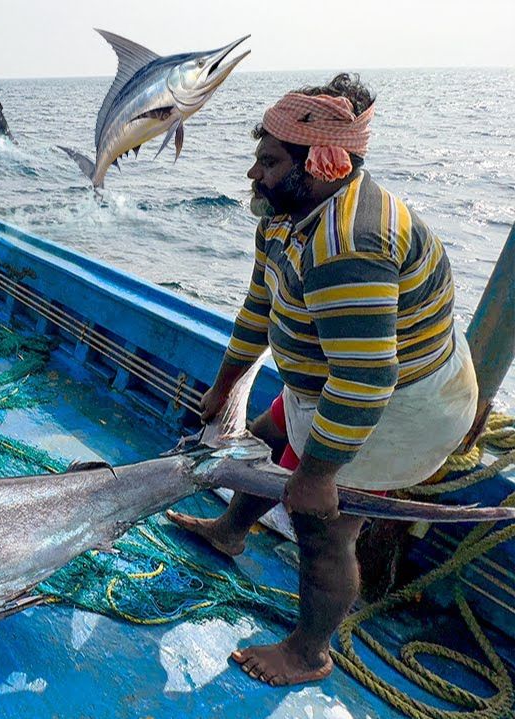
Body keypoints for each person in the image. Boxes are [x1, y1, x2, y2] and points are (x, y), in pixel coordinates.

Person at [167, 74, 477, 687]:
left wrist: (315, 476)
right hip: (332, 381)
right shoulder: (284, 215)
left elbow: (367, 378)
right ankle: (230, 532)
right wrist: (223, 386)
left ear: (322, 164)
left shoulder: (348, 244)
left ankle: (308, 654)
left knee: (322, 527)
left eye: (269, 162)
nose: (253, 174)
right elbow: (259, 306)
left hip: (397, 406)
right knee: (262, 437)